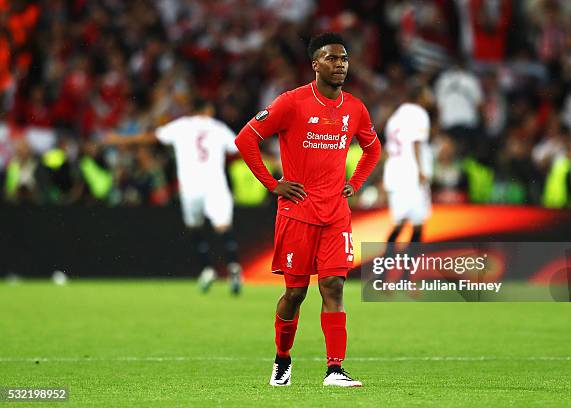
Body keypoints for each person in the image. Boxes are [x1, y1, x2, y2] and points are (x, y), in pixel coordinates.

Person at [234, 32, 381, 387]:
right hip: (298, 212)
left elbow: (373, 149)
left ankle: (335, 370)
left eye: (344, 58)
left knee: (333, 285)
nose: (340, 64)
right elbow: (245, 139)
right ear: (315, 64)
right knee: (295, 293)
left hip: (336, 214)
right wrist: (273, 184)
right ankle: (282, 358)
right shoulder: (291, 102)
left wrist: (356, 183)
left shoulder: (355, 109)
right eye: (332, 58)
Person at [104, 99, 243, 294]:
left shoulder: (181, 126)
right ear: (208, 109)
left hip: (191, 186)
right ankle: (234, 268)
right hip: (215, 183)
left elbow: (150, 137)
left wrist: (119, 139)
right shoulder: (218, 127)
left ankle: (207, 269)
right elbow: (238, 146)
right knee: (223, 226)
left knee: (195, 226)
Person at [384, 84, 433, 246]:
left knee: (400, 223)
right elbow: (416, 143)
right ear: (419, 96)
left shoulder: (395, 117)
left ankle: (382, 270)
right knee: (418, 225)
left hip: (395, 174)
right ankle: (407, 271)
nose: (429, 97)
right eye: (427, 94)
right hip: (412, 176)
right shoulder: (419, 113)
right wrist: (421, 171)